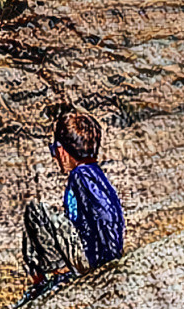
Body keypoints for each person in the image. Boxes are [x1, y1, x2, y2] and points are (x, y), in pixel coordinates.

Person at [21, 109, 124, 293]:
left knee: (35, 211)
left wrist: (108, 260)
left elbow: (104, 214)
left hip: (92, 256)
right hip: (94, 252)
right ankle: (43, 277)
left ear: (62, 151)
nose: (54, 157)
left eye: (54, 150)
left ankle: (58, 273)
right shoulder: (93, 173)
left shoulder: (81, 176)